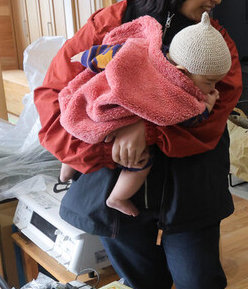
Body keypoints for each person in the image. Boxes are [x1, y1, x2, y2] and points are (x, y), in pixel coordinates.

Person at [35, 0, 241, 289]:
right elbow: (56, 97)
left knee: (201, 286)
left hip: (192, 183)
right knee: (145, 288)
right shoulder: (111, 23)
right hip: (116, 182)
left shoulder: (212, 39)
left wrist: (144, 129)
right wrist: (113, 143)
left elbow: (215, 114)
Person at [57, 12, 232, 217]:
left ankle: (67, 167)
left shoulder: (144, 51)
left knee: (82, 128)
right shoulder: (179, 94)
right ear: (182, 72)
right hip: (114, 112)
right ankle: (118, 197)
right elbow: (190, 118)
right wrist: (207, 106)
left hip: (100, 110)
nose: (213, 87)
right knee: (142, 161)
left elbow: (113, 54)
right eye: (210, 82)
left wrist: (87, 57)